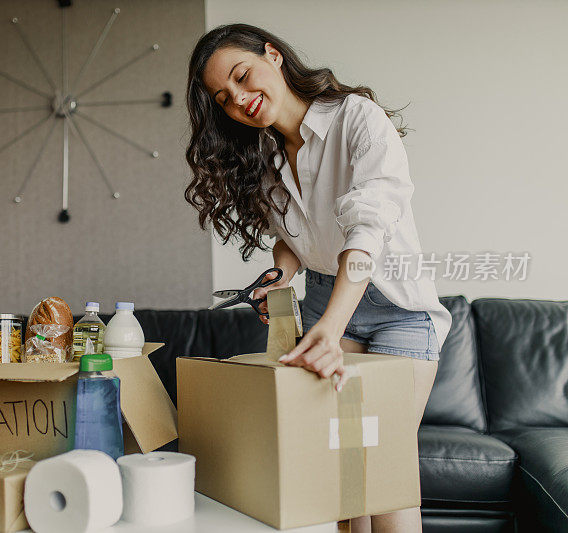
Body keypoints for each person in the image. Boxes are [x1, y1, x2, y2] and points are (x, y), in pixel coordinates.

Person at [184, 23, 452, 533]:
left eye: (242, 76)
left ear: (274, 55)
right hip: (329, 298)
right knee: (344, 476)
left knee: (384, 475)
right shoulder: (263, 158)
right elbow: (294, 237)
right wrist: (278, 274)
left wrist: (329, 327)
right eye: (224, 97)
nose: (240, 99)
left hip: (394, 307)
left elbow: (366, 230)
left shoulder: (357, 120)